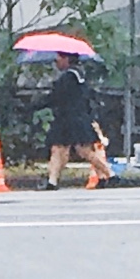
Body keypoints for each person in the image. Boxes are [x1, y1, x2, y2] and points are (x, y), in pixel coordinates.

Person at [43, 52, 112, 189]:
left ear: (66, 59)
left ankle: (110, 174)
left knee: (82, 150)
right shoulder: (79, 76)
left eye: (59, 59)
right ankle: (52, 181)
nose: (56, 62)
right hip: (76, 117)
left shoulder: (68, 78)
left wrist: (35, 105)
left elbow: (56, 98)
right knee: (59, 148)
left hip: (70, 119)